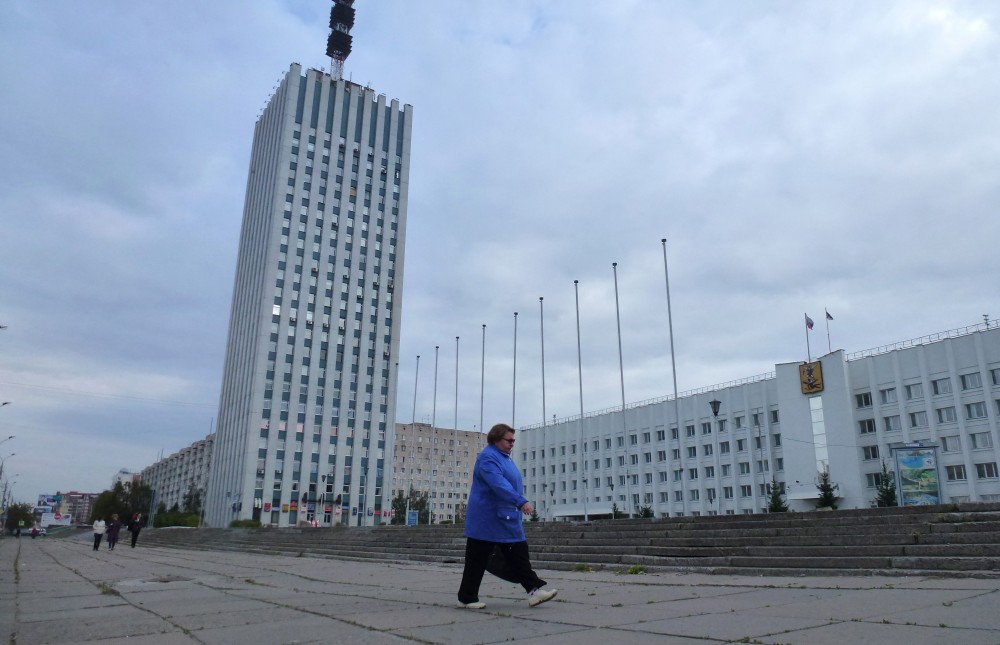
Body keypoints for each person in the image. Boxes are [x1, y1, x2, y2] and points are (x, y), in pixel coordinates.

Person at [457, 423, 557, 609]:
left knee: (518, 553)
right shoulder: (488, 458)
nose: (512, 444)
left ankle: (533, 591)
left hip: (505, 517)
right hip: (488, 519)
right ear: (496, 440)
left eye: (513, 440)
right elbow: (498, 484)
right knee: (477, 560)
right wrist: (520, 501)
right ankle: (467, 597)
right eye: (508, 440)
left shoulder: (503, 457)